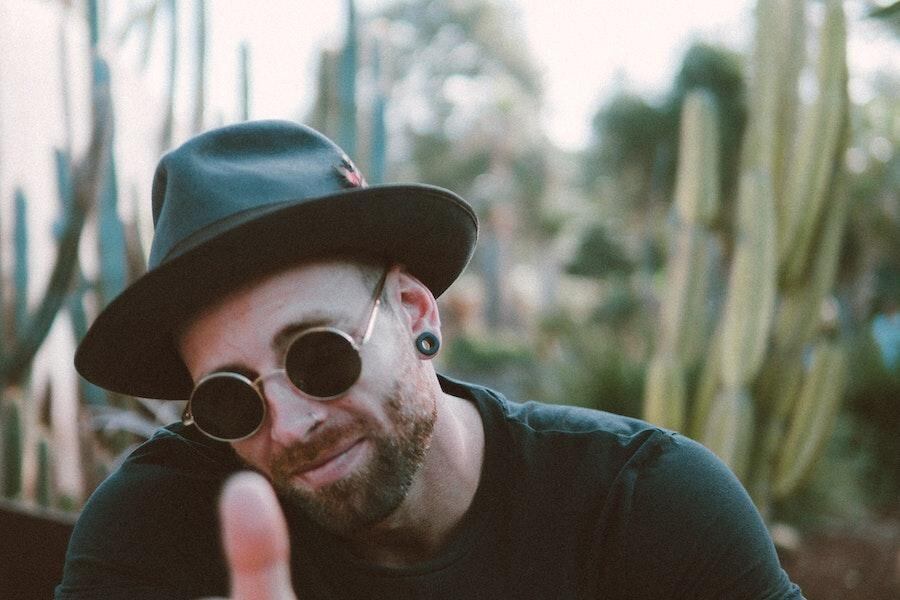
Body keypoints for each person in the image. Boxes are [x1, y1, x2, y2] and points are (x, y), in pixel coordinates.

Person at [57, 120, 803, 599]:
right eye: (229, 399)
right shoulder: (161, 530)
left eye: (319, 354)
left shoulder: (645, 511)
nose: (286, 425)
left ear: (415, 313)